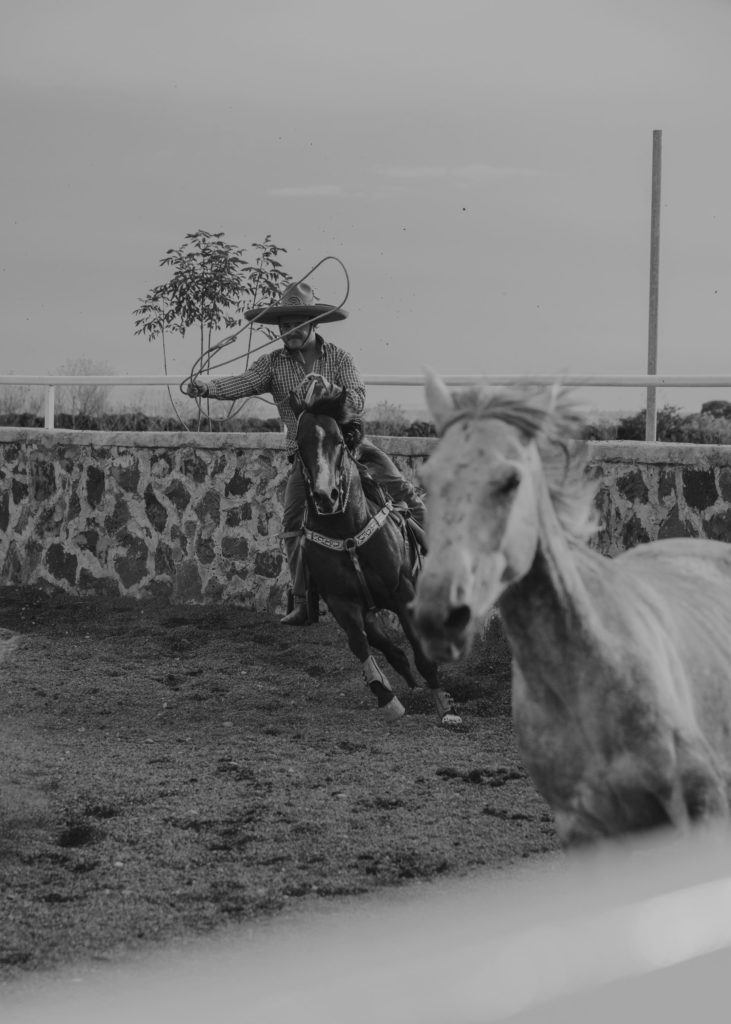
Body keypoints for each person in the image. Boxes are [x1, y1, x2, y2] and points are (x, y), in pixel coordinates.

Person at [185, 280, 426, 626]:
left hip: (348, 446)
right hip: (308, 458)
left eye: (297, 324)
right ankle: (303, 600)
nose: (290, 331)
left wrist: (336, 392)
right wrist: (206, 387)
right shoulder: (271, 365)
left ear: (313, 325)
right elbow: (240, 382)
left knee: (401, 488)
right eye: (284, 326)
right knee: (293, 522)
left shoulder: (340, 358)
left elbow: (358, 399)